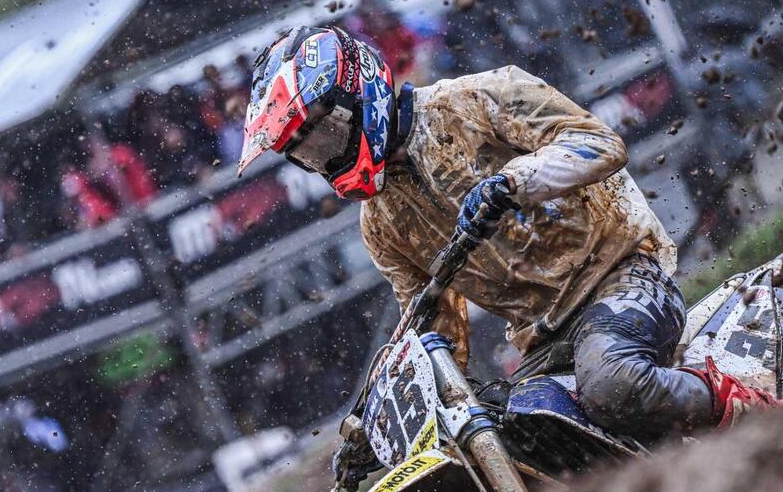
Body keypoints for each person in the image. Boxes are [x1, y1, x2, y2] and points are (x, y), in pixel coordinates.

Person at [236, 25, 781, 445]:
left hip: (620, 278)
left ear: (356, 93)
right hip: (542, 340)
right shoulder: (380, 224)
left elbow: (600, 143)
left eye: (324, 132)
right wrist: (381, 430)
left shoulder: (474, 99)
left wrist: (513, 181)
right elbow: (436, 332)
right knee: (512, 439)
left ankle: (746, 408)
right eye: (306, 151)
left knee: (612, 383)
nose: (323, 155)